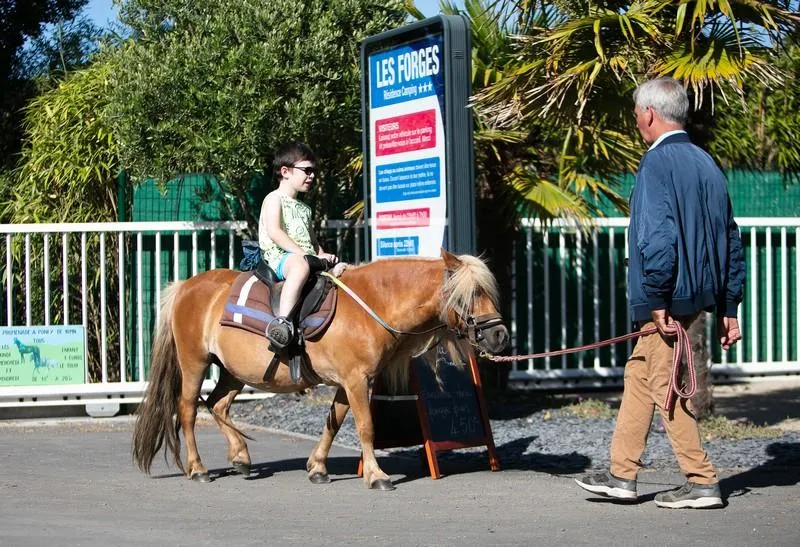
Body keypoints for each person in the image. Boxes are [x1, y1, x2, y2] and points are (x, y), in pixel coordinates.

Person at [574, 77, 745, 509]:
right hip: (692, 298)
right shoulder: (707, 163)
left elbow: (657, 238)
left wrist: (655, 299)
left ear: (649, 113)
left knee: (664, 385)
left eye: (636, 113)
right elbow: (730, 238)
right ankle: (621, 474)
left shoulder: (655, 164)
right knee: (640, 375)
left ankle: (702, 480)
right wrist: (729, 305)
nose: (636, 121)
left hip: (667, 301)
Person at [259, 141, 338, 348]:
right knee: (300, 266)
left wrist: (323, 255)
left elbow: (313, 243)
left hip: (304, 256)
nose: (312, 176)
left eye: (314, 171)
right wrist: (305, 255)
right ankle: (282, 323)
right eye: (307, 170)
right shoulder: (274, 199)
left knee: (338, 271)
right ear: (285, 172)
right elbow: (275, 232)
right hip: (280, 256)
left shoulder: (304, 208)